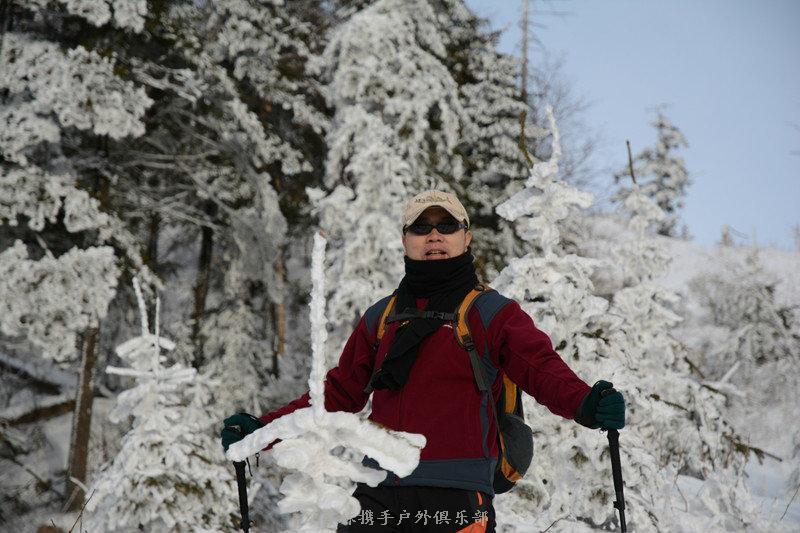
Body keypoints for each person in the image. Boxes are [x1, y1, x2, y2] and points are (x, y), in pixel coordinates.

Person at [221, 190, 625, 532]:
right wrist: (264, 429)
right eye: (421, 227)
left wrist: (587, 403)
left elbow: (541, 368)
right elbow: (338, 394)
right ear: (405, 239)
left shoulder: (491, 313)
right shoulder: (381, 318)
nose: (434, 235)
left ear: (466, 237)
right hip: (377, 495)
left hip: (457, 497)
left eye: (447, 226)